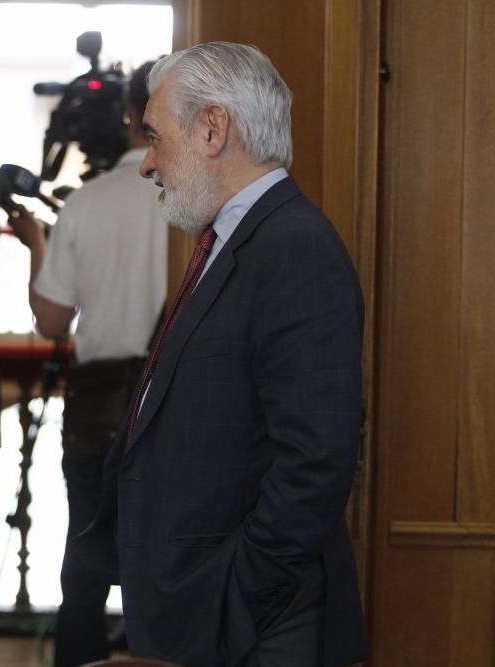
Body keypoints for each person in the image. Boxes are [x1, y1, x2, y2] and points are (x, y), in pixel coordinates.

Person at [77, 42, 368, 667]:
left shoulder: (293, 247)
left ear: (212, 129)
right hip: (202, 607)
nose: (146, 163)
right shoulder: (236, 240)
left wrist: (237, 595)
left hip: (255, 625)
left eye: (156, 137)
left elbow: (316, 461)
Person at [10, 59, 168, 667]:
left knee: (85, 556)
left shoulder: (88, 202)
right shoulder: (195, 198)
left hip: (98, 404)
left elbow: (51, 322)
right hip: (170, 396)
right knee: (166, 552)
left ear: (131, 115)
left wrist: (36, 244)